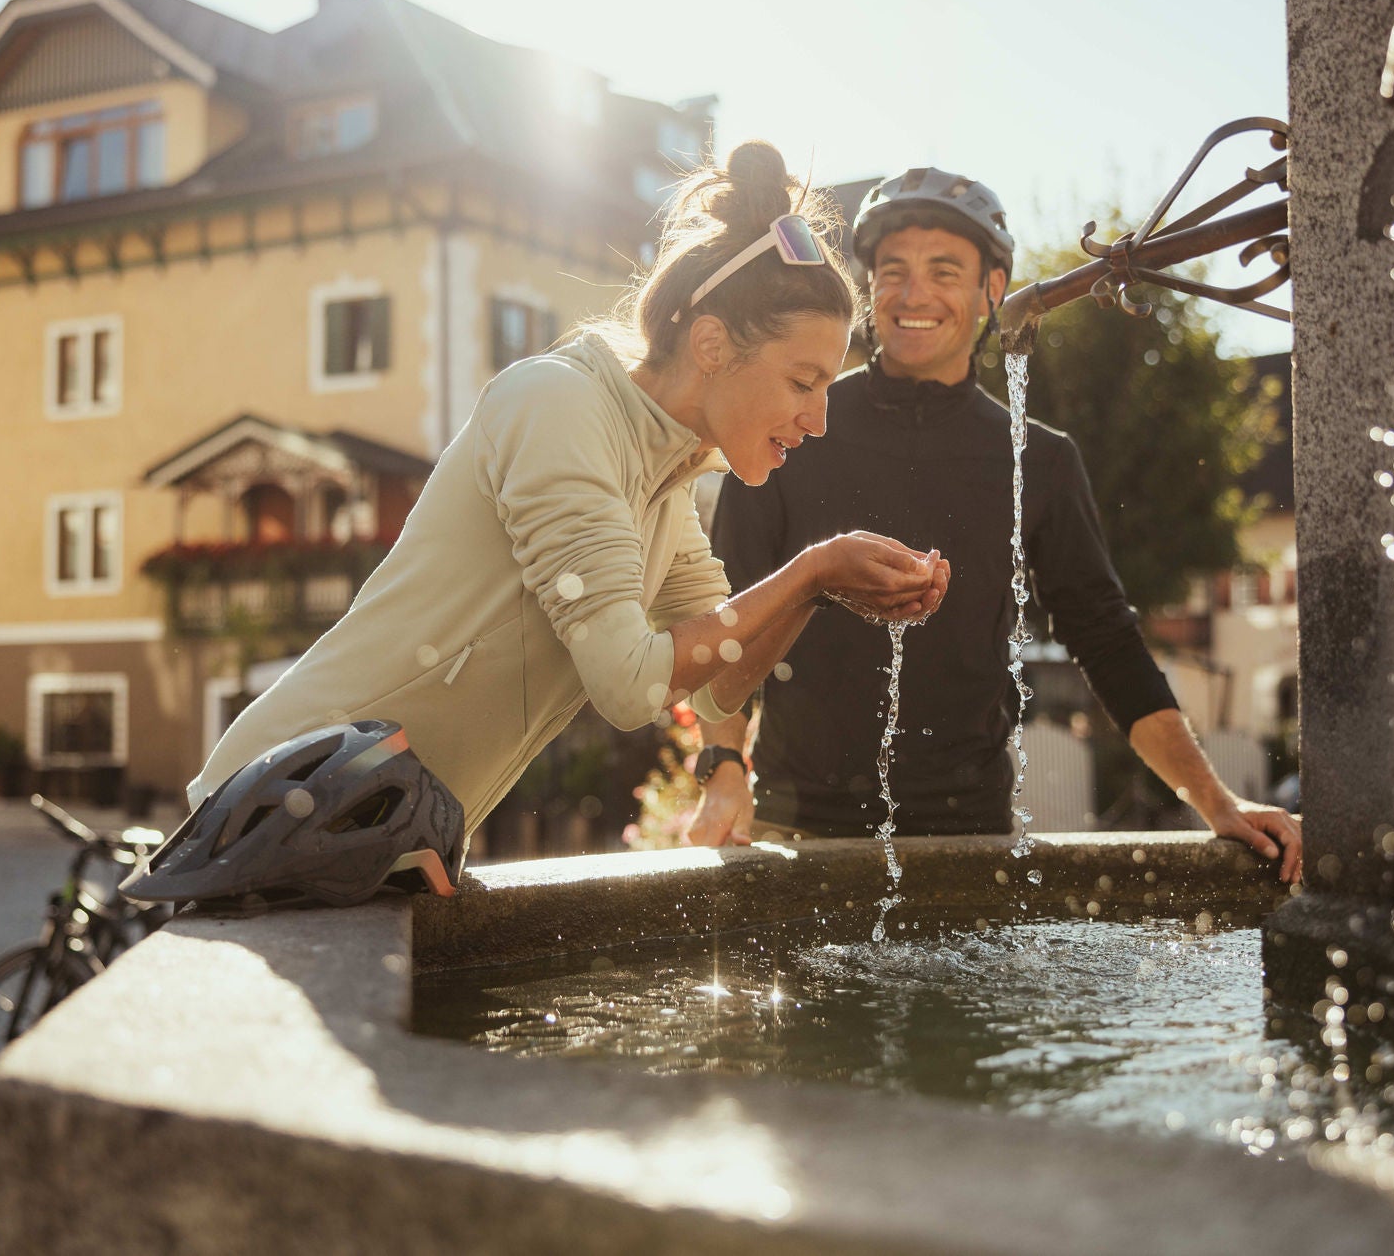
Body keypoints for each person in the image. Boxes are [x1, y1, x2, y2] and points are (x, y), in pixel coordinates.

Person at [174, 142, 950, 892]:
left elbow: (716, 688)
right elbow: (629, 683)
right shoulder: (559, 407)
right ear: (711, 344)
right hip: (268, 815)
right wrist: (811, 568)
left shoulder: (664, 474)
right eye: (803, 381)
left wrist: (818, 592)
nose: (818, 419)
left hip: (372, 836)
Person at [686, 167, 1301, 882]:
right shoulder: (791, 428)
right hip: (795, 829)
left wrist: (1214, 800)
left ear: (993, 288)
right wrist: (723, 764)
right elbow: (727, 613)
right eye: (893, 272)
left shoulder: (1040, 460)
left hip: (970, 839)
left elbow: (1107, 640)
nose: (913, 295)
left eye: (944, 271)